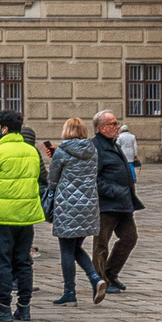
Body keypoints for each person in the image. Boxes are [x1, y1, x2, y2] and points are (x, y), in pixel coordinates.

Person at [0, 111, 44, 321]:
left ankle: (3, 306)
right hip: (26, 216)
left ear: (3, 129)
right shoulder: (31, 151)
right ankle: (24, 306)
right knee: (23, 261)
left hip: (1, 216)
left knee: (2, 261)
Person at [46, 118, 105, 305]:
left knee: (66, 249)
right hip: (88, 205)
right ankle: (95, 279)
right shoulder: (92, 150)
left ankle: (70, 291)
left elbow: (52, 180)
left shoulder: (62, 151)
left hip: (67, 205)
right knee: (76, 247)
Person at [92, 111, 142, 294]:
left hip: (123, 203)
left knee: (130, 238)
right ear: (102, 128)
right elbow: (93, 178)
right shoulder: (96, 147)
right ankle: (100, 280)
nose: (117, 126)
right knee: (101, 244)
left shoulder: (113, 144)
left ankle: (111, 273)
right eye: (113, 124)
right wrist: (114, 191)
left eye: (116, 123)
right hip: (107, 204)